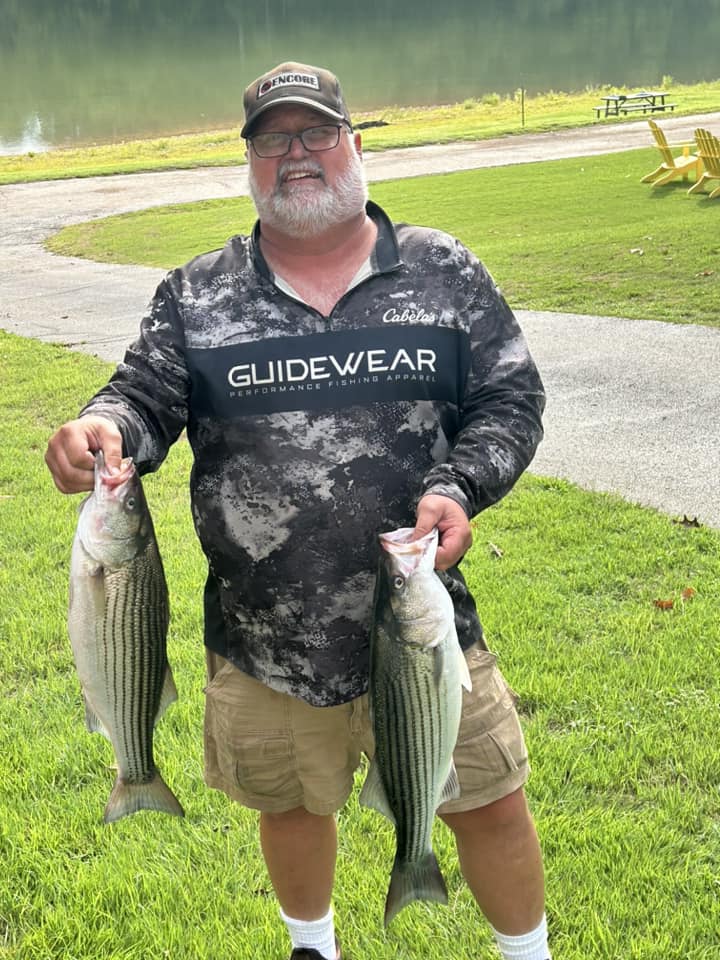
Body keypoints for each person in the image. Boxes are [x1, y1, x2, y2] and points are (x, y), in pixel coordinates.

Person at [45, 61, 550, 960]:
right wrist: (101, 427)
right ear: (250, 161)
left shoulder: (442, 270)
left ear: (355, 144)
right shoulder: (197, 293)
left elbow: (511, 400)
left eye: (317, 133)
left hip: (426, 621)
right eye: (273, 139)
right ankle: (311, 946)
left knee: (489, 801)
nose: (297, 155)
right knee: (291, 808)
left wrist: (459, 487)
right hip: (262, 638)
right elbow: (142, 397)